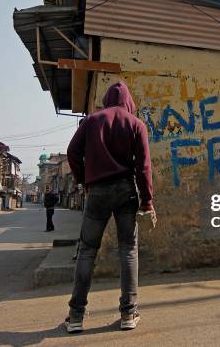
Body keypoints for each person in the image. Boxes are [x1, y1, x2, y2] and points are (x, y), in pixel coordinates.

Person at [64, 81, 154, 333]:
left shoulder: (91, 121)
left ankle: (76, 316)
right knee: (128, 250)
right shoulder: (136, 124)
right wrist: (147, 200)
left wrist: (84, 179)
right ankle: (128, 313)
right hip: (126, 191)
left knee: (87, 251)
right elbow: (144, 167)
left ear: (106, 99)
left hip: (98, 192)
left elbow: (72, 152)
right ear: (129, 101)